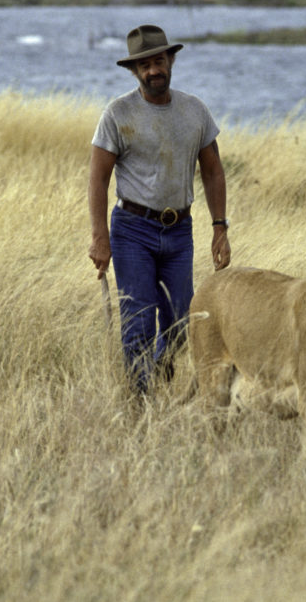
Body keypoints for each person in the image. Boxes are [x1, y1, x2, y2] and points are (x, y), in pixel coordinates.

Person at [88, 24, 231, 395]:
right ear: (135, 71)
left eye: (160, 61)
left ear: (171, 60)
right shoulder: (117, 114)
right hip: (132, 230)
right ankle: (140, 405)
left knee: (182, 323)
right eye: (146, 65)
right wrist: (99, 238)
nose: (154, 70)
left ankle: (159, 372)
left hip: (180, 232)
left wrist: (220, 228)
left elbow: (213, 172)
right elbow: (97, 179)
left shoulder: (194, 111)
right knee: (138, 322)